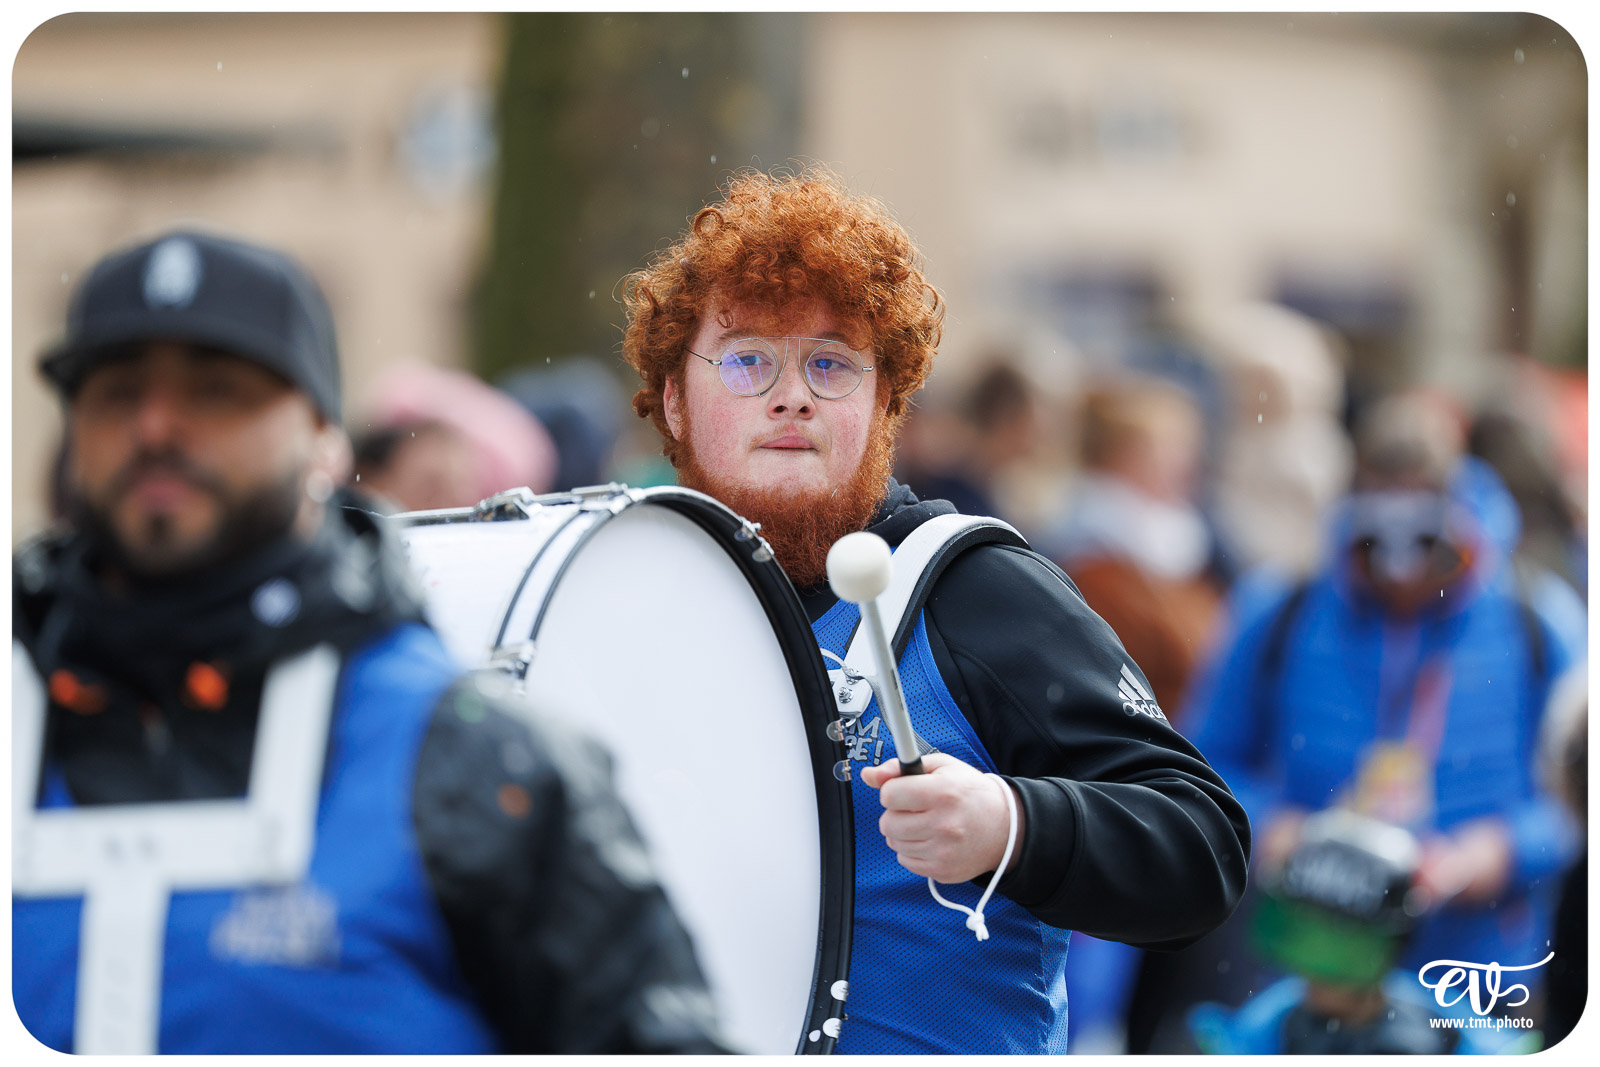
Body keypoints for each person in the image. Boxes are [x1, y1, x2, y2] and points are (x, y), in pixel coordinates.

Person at [12, 230, 725, 1054]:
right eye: (118, 391)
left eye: (216, 389)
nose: (158, 426)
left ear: (325, 436)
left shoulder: (479, 761)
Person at [620, 166, 1250, 1054]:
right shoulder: (631, 605)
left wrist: (1012, 823)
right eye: (748, 357)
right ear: (677, 401)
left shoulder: (977, 590)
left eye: (832, 363)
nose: (792, 393)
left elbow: (1204, 849)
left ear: (886, 408)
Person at [1185, 390, 1585, 1010]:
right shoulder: (1278, 612)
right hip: (1307, 966)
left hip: (1478, 975)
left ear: (1460, 513)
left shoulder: (1540, 620)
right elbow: (1200, 766)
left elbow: (1576, 801)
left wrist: (1497, 854)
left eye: (1425, 542)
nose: (1401, 571)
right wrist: (1273, 830)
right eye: (1377, 543)